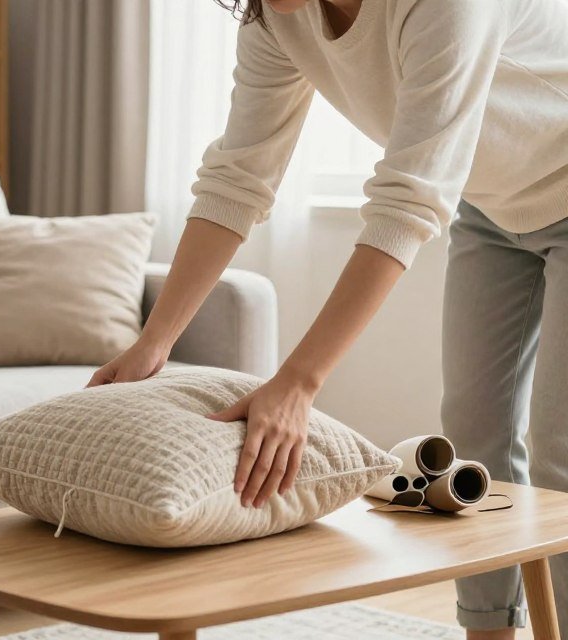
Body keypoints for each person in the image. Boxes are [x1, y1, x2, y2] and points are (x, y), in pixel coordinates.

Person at [87, 1, 568, 638]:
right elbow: (237, 177)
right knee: (473, 437)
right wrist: (155, 342)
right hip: (492, 207)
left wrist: (298, 384)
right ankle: (488, 629)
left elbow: (409, 198)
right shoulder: (276, 16)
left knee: (561, 448)